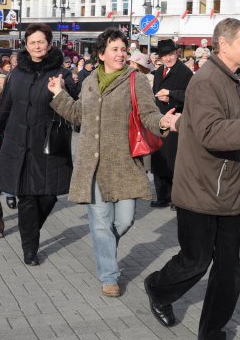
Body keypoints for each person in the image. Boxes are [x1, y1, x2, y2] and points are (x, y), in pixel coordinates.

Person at [143, 18, 240, 340]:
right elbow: (209, 132)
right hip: (201, 188)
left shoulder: (229, 79)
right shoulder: (208, 79)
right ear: (224, 44)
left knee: (228, 269)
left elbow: (216, 124)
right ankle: (158, 288)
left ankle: (212, 330)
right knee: (195, 261)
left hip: (228, 188)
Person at [48, 28, 177, 298]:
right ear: (101, 53)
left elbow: (148, 113)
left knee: (125, 220)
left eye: (123, 49)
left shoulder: (136, 80)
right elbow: (78, 115)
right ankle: (109, 275)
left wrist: (162, 122)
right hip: (92, 162)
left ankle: (105, 249)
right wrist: (59, 95)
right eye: (115, 49)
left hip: (124, 162)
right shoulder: (90, 81)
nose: (120, 54)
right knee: (100, 223)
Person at [0, 23, 78, 266]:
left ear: (49, 45)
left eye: (41, 41)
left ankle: (30, 229)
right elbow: (5, 103)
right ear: (25, 45)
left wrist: (62, 91)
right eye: (32, 42)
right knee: (27, 197)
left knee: (48, 196)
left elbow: (75, 105)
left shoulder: (61, 73)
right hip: (18, 143)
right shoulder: (17, 73)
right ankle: (30, 248)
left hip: (48, 143)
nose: (37, 46)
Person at [150, 39, 193, 208]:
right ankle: (163, 196)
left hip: (176, 121)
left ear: (176, 53)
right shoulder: (159, 71)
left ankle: (177, 198)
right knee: (159, 160)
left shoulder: (185, 72)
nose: (168, 58)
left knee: (175, 161)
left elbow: (190, 96)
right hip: (160, 120)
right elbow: (155, 92)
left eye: (170, 54)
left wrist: (171, 96)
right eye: (164, 55)